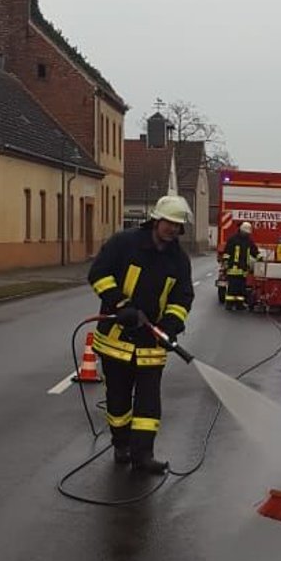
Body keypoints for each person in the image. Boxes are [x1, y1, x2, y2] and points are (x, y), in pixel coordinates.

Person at [88, 194, 195, 473]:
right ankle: (121, 444)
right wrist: (120, 304)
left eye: (177, 225)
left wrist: (171, 325)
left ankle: (143, 455)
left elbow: (183, 297)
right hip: (116, 339)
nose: (173, 229)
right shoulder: (124, 243)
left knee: (149, 403)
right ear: (156, 220)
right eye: (169, 223)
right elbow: (98, 274)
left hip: (151, 343)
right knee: (118, 400)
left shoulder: (179, 260)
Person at [222, 219, 260, 312]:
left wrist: (260, 258)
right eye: (246, 233)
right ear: (241, 230)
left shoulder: (248, 241)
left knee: (241, 289)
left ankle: (239, 305)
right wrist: (226, 263)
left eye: (248, 233)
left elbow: (254, 251)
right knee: (232, 288)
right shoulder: (232, 240)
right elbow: (227, 253)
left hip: (243, 270)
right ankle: (229, 304)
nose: (247, 234)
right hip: (233, 269)